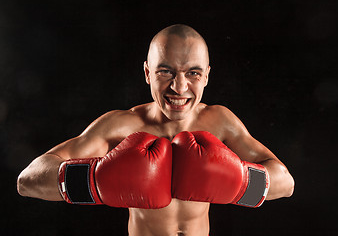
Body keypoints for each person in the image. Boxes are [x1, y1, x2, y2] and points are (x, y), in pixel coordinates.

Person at [17, 24, 295, 236]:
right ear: (148, 73)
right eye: (166, 72)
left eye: (193, 73)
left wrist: (240, 182)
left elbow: (286, 184)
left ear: (207, 76)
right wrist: (94, 180)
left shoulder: (220, 121)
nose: (179, 87)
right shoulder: (122, 126)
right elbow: (28, 181)